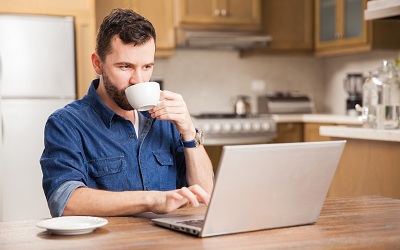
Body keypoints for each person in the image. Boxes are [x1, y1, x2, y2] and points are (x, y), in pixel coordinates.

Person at [40, 8, 214, 217]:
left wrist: (189, 133)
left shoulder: (168, 119)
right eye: (125, 67)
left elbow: (205, 195)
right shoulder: (66, 123)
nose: (138, 80)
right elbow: (65, 201)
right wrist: (152, 200)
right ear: (98, 63)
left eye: (147, 66)